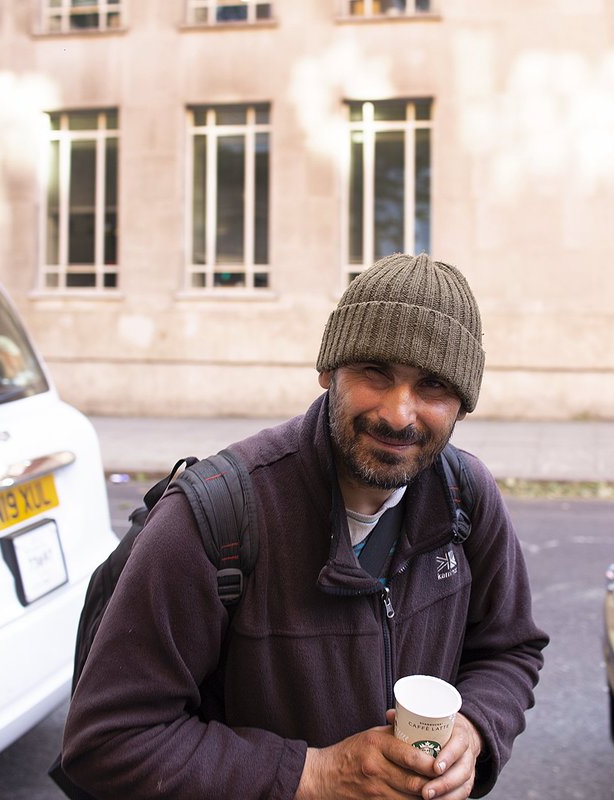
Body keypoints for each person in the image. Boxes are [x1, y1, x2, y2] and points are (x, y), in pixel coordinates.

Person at [61, 252, 548, 799]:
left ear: (462, 405)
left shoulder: (465, 497)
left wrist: (476, 729)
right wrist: (312, 775)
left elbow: (509, 649)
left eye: (433, 386)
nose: (399, 413)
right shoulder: (213, 517)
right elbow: (107, 742)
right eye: (375, 372)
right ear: (328, 371)